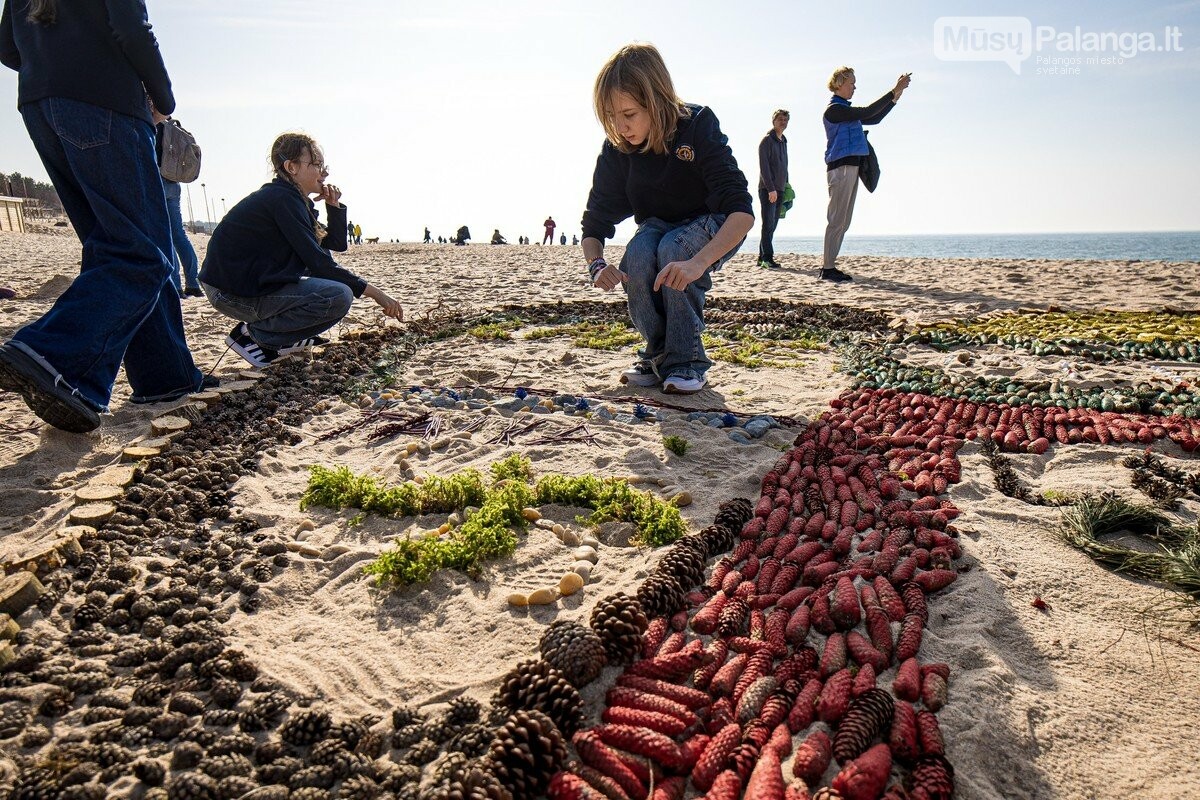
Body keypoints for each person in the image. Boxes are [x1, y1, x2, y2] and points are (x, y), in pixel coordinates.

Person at [0, 0, 208, 432]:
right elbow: (133, 28)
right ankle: (51, 354)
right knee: (144, 253)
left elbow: (7, 47)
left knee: (115, 246)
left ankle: (166, 377)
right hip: (104, 102)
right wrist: (163, 100)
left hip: (40, 104)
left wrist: (55, 62)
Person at [581, 43, 753, 395]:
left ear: (656, 101)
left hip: (713, 221)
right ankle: (657, 354)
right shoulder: (617, 147)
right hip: (658, 225)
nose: (620, 126)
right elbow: (593, 223)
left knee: (673, 251)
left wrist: (699, 263)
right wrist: (597, 265)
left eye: (628, 114)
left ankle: (687, 359)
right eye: (611, 116)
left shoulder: (698, 124)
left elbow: (742, 213)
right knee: (641, 254)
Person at [198, 132, 403, 368]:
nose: (324, 173)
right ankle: (255, 337)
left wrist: (333, 207)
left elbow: (333, 245)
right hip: (231, 292)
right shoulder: (282, 199)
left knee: (334, 286)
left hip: (245, 286)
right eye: (316, 165)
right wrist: (377, 294)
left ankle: (282, 339)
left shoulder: (293, 200)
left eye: (324, 166)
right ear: (291, 167)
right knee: (338, 295)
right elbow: (320, 264)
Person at [822, 66, 910, 282]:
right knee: (836, 220)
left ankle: (830, 266)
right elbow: (868, 111)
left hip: (851, 167)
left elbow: (875, 118)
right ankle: (827, 268)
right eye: (851, 82)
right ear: (839, 84)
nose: (854, 86)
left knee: (844, 220)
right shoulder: (834, 110)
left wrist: (896, 96)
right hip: (840, 168)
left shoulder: (847, 112)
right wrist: (893, 90)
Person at [152, 112, 203, 297]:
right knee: (179, 235)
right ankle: (193, 283)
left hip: (156, 181)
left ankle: (175, 286)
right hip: (174, 184)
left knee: (164, 235)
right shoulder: (174, 128)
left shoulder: (154, 127)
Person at [757, 108, 789, 269]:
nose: (783, 122)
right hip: (768, 189)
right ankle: (767, 258)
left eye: (785, 120)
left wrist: (787, 186)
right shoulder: (766, 141)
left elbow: (785, 167)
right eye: (780, 119)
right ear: (773, 121)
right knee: (768, 224)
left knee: (773, 224)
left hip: (781, 189)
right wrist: (771, 189)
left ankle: (761, 257)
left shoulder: (784, 141)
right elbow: (764, 168)